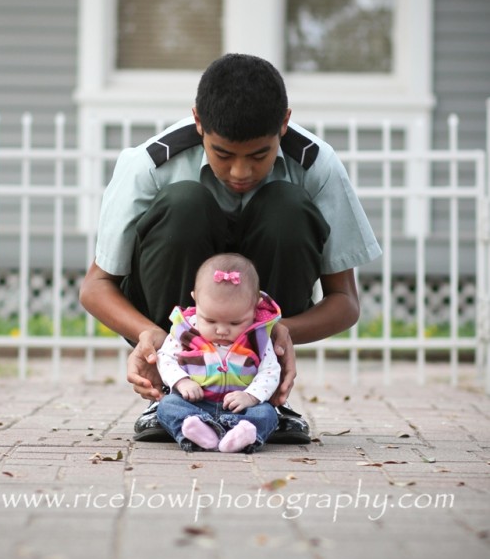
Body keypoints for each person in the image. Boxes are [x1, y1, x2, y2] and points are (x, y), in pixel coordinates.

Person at [79, 53, 381, 443]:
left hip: (260, 339)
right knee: (184, 204)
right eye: (223, 154)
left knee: (285, 207)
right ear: (198, 121)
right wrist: (150, 335)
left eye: (259, 155)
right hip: (174, 330)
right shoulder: (148, 166)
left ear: (284, 123)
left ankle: (264, 403)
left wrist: (279, 332)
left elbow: (345, 301)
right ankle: (175, 398)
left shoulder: (317, 167)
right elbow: (95, 285)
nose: (241, 172)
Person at [156, 253, 280, 453]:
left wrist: (250, 396)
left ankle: (243, 434)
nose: (222, 330)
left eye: (235, 323)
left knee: (267, 414)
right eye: (211, 321)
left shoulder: (258, 337)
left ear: (255, 306)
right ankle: (197, 430)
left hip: (241, 407)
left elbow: (270, 371)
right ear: (196, 301)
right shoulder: (186, 330)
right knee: (167, 405)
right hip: (195, 404)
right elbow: (165, 357)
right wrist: (182, 381)